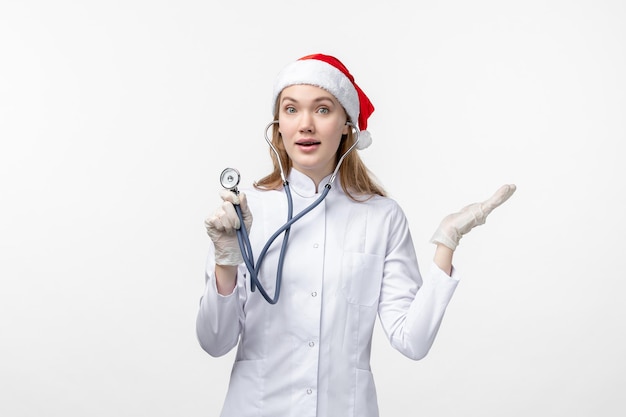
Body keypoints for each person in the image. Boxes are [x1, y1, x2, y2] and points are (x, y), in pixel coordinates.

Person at [196, 53, 516, 417]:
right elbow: (215, 341)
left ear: (347, 125)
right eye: (291, 110)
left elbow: (412, 339)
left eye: (322, 110)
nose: (305, 125)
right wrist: (225, 262)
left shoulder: (382, 217)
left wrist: (447, 241)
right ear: (278, 127)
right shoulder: (243, 211)